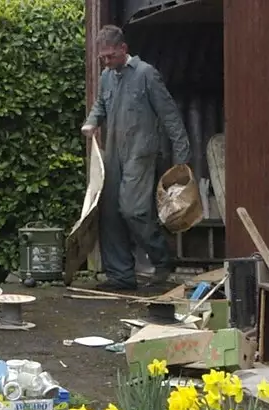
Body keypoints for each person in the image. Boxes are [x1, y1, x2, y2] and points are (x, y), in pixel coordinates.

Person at [82, 25, 191, 292]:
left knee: (133, 210)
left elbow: (170, 115)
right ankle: (121, 276)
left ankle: (163, 259)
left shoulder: (146, 74)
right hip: (114, 153)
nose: (106, 62)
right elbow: (101, 104)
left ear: (123, 49)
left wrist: (182, 159)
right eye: (102, 58)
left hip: (141, 154)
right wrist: (92, 121)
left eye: (110, 56)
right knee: (108, 213)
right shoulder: (108, 76)